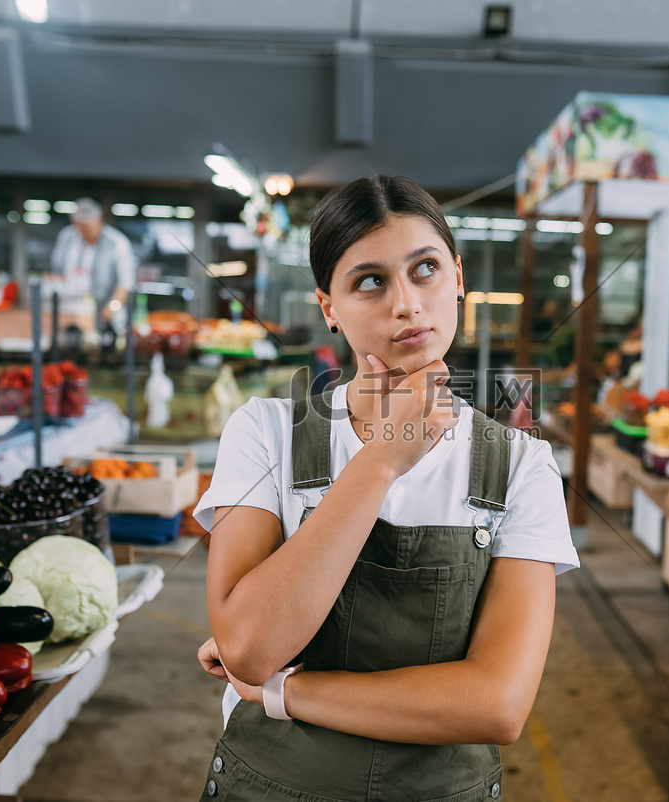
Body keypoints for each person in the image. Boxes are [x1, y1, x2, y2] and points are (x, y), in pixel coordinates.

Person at [192, 175, 579, 801]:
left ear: (457, 276)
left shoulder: (521, 465)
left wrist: (285, 692)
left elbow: (498, 705)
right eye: (369, 280)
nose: (406, 303)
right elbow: (249, 648)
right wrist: (378, 465)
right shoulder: (266, 432)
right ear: (328, 307)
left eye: (424, 269)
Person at [48, 198, 136, 333]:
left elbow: (125, 283)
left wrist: (112, 308)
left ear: (99, 221)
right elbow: (57, 273)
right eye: (80, 227)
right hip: (71, 317)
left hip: (107, 319)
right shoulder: (67, 237)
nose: (84, 232)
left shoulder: (117, 243)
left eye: (87, 228)